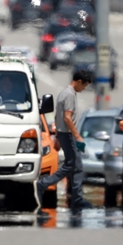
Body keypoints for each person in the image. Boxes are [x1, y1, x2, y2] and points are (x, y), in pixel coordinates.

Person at [36, 70, 93, 214]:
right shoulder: (69, 95)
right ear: (79, 82)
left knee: (75, 166)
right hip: (68, 134)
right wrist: (77, 136)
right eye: (84, 86)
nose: (83, 89)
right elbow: (67, 118)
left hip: (63, 134)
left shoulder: (64, 93)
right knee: (72, 165)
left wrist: (57, 136)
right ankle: (45, 184)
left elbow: (57, 117)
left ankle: (76, 199)